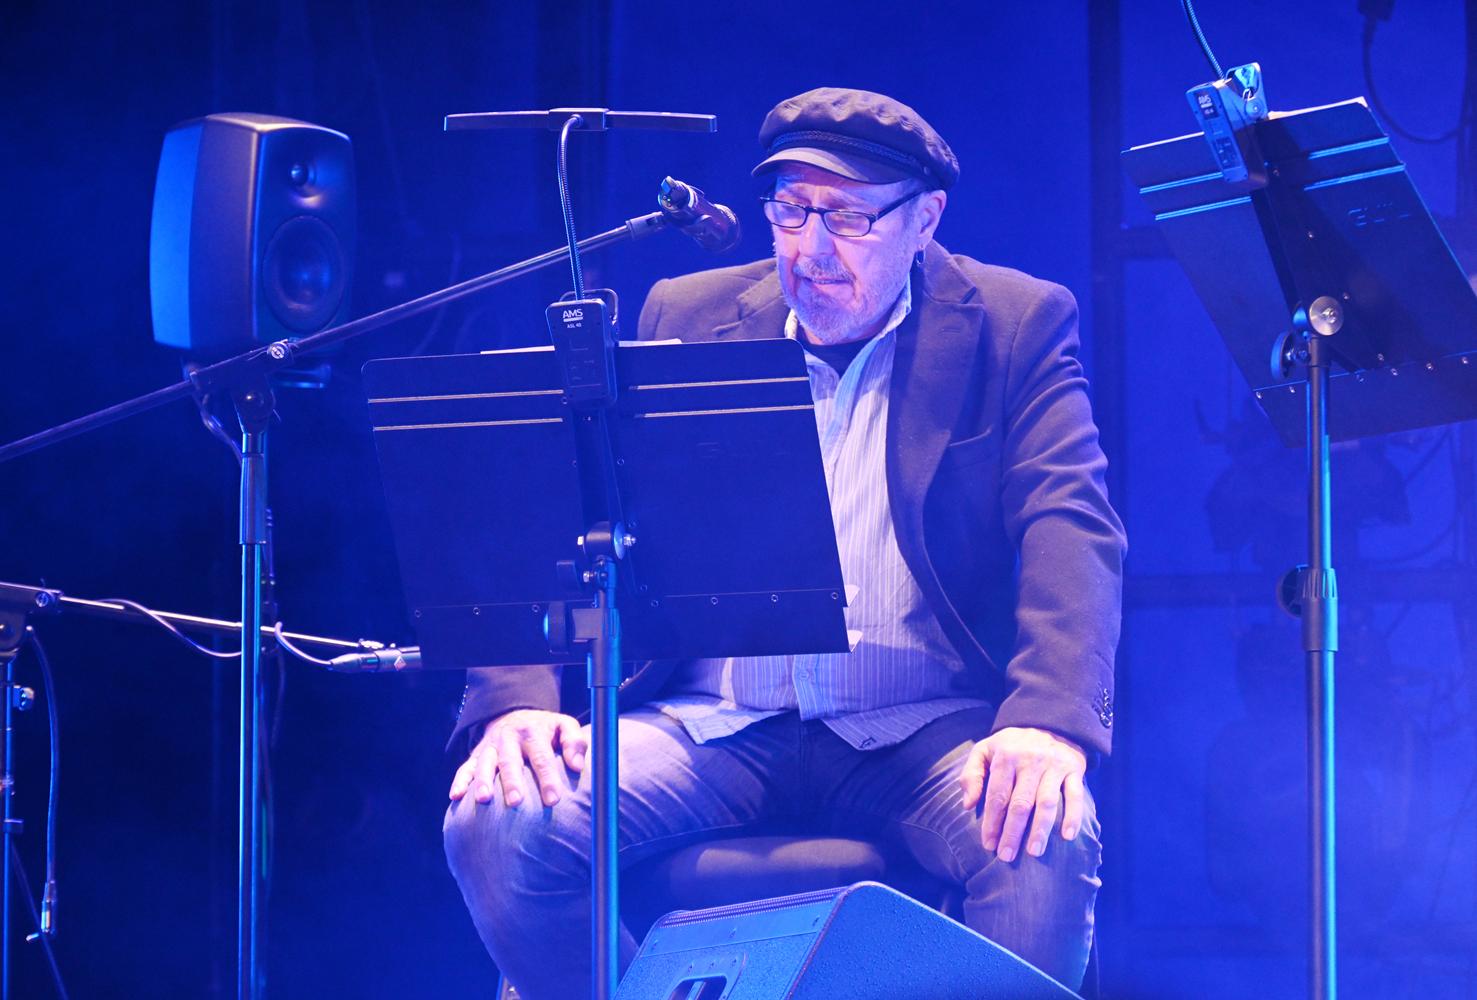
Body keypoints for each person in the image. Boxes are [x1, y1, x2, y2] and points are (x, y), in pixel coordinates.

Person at [442, 86, 1125, 996]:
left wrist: (1046, 722)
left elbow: (1068, 521)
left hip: (917, 726)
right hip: (715, 721)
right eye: (790, 211)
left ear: (925, 219)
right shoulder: (686, 314)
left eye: (847, 217)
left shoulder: (1013, 323)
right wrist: (516, 700)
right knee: (499, 821)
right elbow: (564, 502)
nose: (809, 248)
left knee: (1043, 835)